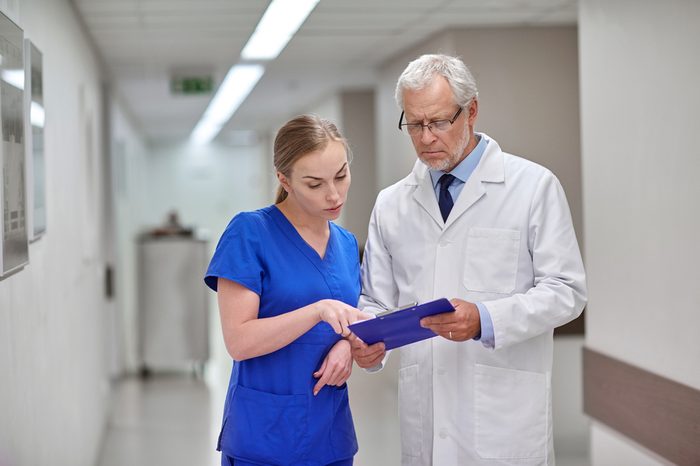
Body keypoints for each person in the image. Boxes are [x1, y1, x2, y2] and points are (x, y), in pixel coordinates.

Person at [349, 54, 587, 465]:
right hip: (425, 421)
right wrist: (371, 346)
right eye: (414, 123)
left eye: (438, 122)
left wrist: (486, 318)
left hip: (504, 423)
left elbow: (567, 291)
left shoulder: (532, 187)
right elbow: (375, 301)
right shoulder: (392, 204)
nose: (425, 138)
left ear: (471, 110)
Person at [205, 114, 370, 466]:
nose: (334, 194)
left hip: (330, 433)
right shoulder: (250, 233)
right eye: (315, 183)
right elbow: (239, 341)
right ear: (285, 180)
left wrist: (345, 344)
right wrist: (316, 311)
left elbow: (347, 320)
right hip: (264, 435)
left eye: (341, 175)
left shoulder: (345, 244)